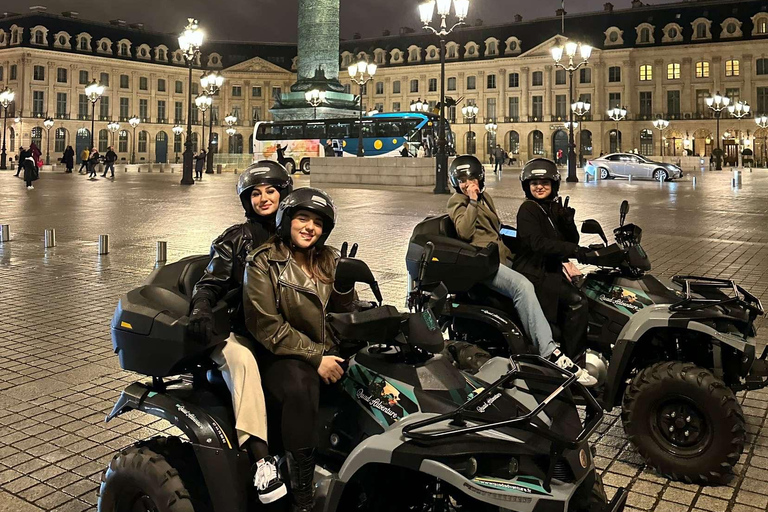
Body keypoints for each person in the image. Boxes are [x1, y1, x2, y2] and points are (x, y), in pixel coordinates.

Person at [244, 187, 357, 512]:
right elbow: (266, 326)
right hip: (279, 356)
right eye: (303, 218)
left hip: (326, 352)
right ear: (287, 220)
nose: (310, 227)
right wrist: (315, 357)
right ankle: (302, 496)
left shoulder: (330, 258)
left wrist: (346, 288)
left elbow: (343, 311)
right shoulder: (263, 262)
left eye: (318, 222)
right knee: (300, 387)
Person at [189, 161, 293, 504]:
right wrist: (202, 307)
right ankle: (262, 460)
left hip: (280, 328)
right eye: (256, 193)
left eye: (271, 191)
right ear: (247, 201)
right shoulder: (236, 239)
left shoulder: (294, 235)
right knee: (243, 362)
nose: (264, 199)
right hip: (237, 330)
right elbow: (209, 282)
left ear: (283, 194)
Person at [447, 155, 596, 386]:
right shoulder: (459, 201)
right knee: (522, 286)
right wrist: (472, 201)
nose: (468, 183)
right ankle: (550, 353)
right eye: (462, 180)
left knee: (537, 275)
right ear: (455, 182)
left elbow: (497, 230)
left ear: (480, 178)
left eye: (472, 178)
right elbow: (465, 232)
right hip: (483, 263)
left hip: (499, 256)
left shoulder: (486, 197)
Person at [515, 158, 594, 364]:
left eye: (545, 183)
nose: (539, 187)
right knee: (577, 303)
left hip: (549, 268)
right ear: (527, 186)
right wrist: (574, 250)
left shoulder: (550, 207)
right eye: (534, 183)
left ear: (553, 185)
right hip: (535, 271)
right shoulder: (528, 209)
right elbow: (539, 244)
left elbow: (569, 240)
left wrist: (567, 222)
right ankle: (573, 363)